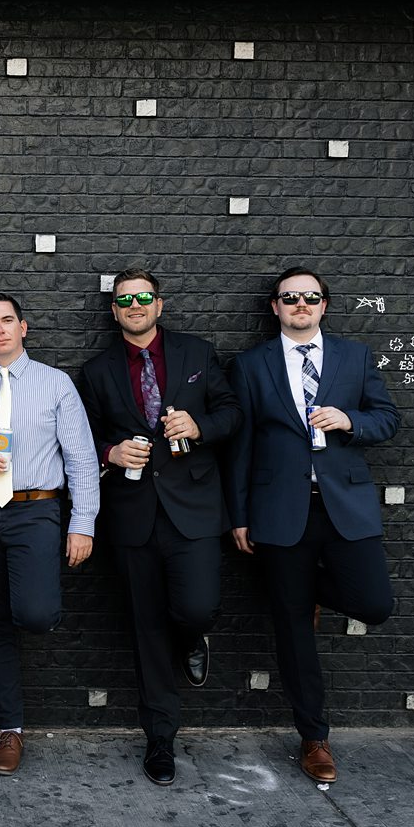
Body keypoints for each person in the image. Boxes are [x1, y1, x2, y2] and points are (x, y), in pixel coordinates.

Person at [225, 266, 401, 784]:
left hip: (344, 504)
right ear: (275, 307)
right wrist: (238, 515)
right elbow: (242, 445)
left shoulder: (355, 356)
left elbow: (388, 417)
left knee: (374, 603)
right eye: (290, 297)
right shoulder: (251, 364)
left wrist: (351, 421)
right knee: (293, 627)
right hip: (280, 510)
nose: (300, 304)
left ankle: (312, 593)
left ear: (324, 305)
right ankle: (314, 737)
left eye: (310, 297)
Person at [78, 267, 241, 786]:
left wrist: (200, 426)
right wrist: (111, 450)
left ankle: (193, 636)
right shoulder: (98, 369)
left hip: (192, 507)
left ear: (159, 305)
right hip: (132, 514)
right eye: (125, 299)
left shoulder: (197, 353)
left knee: (196, 606)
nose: (135, 305)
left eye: (144, 297)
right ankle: (161, 741)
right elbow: (85, 438)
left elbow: (233, 412)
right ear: (114, 310)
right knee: (147, 632)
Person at [0, 293, 99, 776]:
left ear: (23, 328)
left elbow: (80, 459)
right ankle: (9, 730)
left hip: (36, 511)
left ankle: (29, 607)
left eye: (7, 321)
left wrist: (82, 524)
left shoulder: (56, 385)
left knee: (34, 614)